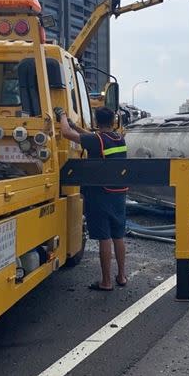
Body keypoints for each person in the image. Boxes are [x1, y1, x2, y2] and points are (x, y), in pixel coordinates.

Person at [56, 106, 128, 291]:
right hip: (119, 193)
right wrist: (76, 126)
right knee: (118, 235)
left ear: (96, 121)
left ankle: (106, 282)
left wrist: (62, 116)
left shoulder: (97, 140)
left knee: (104, 237)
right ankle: (121, 276)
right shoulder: (118, 138)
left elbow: (65, 133)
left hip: (100, 194)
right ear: (113, 121)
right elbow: (93, 137)